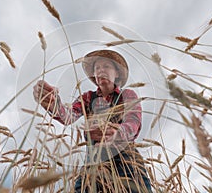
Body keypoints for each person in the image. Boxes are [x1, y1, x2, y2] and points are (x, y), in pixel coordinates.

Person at [33, 49, 152, 192]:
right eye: (97, 68)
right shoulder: (87, 98)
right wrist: (52, 102)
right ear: (94, 75)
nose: (101, 70)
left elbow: (134, 122)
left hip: (126, 161)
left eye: (106, 66)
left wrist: (117, 132)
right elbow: (68, 116)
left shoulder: (127, 95)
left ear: (117, 73)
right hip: (94, 162)